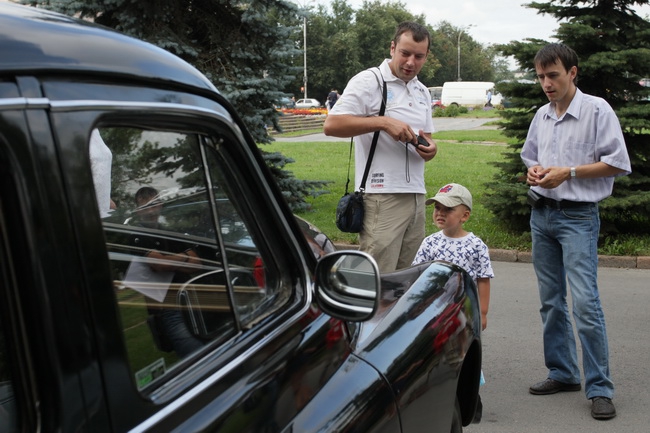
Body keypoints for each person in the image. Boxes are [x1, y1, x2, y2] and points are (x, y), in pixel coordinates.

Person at [521, 43, 631, 420]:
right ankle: (563, 372)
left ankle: (599, 388)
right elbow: (531, 158)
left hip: (578, 217)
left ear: (572, 72)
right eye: (540, 77)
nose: (546, 83)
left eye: (553, 75)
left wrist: (568, 173)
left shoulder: (597, 110)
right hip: (542, 216)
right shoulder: (542, 115)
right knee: (550, 300)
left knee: (585, 303)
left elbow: (617, 163)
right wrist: (534, 172)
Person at [323, 21, 438, 273]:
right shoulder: (370, 81)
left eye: (419, 56)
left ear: (426, 56)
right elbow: (332, 125)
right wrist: (384, 122)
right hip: (381, 196)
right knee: (378, 277)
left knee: (407, 278)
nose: (411, 62)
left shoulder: (422, 91)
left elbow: (427, 138)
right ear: (392, 48)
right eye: (405, 53)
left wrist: (431, 149)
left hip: (416, 195)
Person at [411, 183, 492, 423]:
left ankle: (471, 397)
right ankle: (434, 395)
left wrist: (483, 312)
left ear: (464, 215)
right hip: (434, 311)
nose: (440, 213)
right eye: (437, 208)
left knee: (463, 353)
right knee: (435, 352)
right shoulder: (430, 243)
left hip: (463, 311)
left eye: (447, 209)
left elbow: (483, 278)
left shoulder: (476, 246)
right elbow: (418, 275)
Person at [128, 186, 206, 357]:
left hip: (191, 301)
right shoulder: (137, 236)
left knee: (213, 344)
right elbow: (161, 264)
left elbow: (197, 264)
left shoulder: (171, 232)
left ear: (161, 205)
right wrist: (184, 257)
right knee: (197, 355)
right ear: (138, 211)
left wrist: (170, 261)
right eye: (145, 206)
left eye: (154, 204)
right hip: (168, 308)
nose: (151, 211)